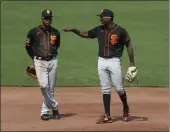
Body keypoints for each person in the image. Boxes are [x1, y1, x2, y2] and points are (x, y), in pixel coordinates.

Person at [63, 9, 137, 124]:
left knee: (119, 88)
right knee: (105, 88)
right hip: (101, 61)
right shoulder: (99, 29)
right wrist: (74, 30)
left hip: (114, 61)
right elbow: (86, 34)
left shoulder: (120, 31)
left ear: (109, 18)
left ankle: (125, 108)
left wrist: (132, 63)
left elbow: (129, 45)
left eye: (102, 17)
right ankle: (107, 115)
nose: (100, 19)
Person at [25, 9, 60, 121]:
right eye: (46, 18)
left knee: (51, 88)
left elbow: (57, 45)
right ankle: (54, 106)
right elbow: (28, 46)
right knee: (44, 86)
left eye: (49, 18)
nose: (48, 20)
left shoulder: (56, 32)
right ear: (42, 19)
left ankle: (45, 111)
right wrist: (34, 59)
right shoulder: (33, 32)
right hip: (39, 61)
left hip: (53, 61)